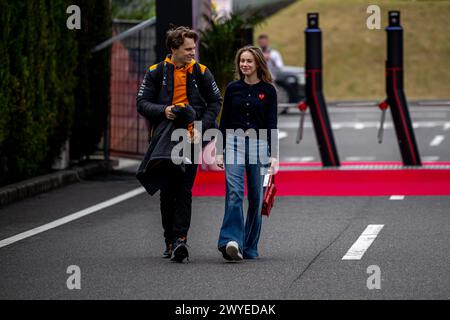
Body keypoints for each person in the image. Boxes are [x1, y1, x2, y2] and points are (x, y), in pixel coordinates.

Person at [136, 26, 222, 263]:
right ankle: (169, 239)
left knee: (184, 190)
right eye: (188, 49)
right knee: (167, 192)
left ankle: (181, 240)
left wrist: (200, 128)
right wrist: (163, 110)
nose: (193, 52)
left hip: (192, 139)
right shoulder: (155, 72)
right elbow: (141, 103)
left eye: (194, 48)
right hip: (164, 141)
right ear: (174, 48)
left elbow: (216, 102)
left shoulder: (202, 72)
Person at [215, 46, 278, 261]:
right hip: (233, 143)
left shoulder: (269, 91)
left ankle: (249, 245)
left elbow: (272, 123)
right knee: (234, 192)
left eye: (249, 61)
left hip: (259, 146)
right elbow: (224, 121)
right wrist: (220, 151)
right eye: (242, 61)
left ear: (258, 63)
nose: (244, 65)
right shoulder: (233, 88)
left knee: (256, 199)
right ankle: (231, 241)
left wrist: (274, 155)